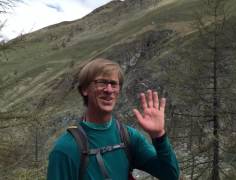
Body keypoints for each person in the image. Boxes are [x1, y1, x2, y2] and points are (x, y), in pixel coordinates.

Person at [47, 58, 179, 180]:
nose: (109, 90)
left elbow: (170, 175)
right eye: (101, 82)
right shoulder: (65, 149)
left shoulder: (128, 137)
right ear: (84, 90)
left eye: (114, 84)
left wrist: (159, 136)